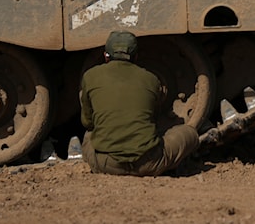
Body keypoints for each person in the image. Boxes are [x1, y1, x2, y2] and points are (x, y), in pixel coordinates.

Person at [79, 30, 200, 176]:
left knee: (88, 136)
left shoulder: (90, 76)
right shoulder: (151, 79)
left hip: (107, 165)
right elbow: (154, 120)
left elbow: (87, 122)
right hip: (149, 164)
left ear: (105, 56)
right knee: (190, 133)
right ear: (136, 56)